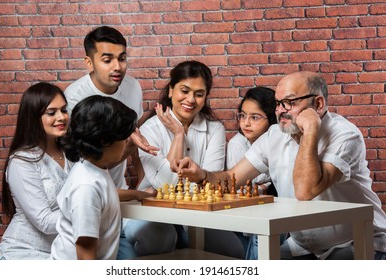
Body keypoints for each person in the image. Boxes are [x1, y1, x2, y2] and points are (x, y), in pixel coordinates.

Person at [171, 71, 386, 260]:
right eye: (278, 102)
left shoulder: (345, 135)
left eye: (290, 102)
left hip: (357, 241)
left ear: (318, 105)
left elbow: (305, 190)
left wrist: (311, 130)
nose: (280, 110)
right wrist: (200, 175)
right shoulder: (274, 135)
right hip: (305, 247)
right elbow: (232, 179)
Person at [123, 60, 241, 257]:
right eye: (184, 91)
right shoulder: (149, 129)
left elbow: (210, 182)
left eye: (199, 94)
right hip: (151, 210)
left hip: (198, 212)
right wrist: (178, 135)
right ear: (171, 91)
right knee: (161, 237)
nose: (191, 99)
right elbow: (164, 185)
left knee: (234, 251)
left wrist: (201, 180)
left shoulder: (215, 129)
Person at [63, 26, 158, 259]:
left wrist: (140, 191)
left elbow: (129, 133)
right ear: (89, 63)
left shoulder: (133, 87)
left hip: (114, 190)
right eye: (107, 60)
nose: (117, 67)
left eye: (122, 58)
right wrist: (130, 142)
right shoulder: (75, 97)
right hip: (94, 194)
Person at [50, 96, 139, 259]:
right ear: (105, 141)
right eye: (123, 137)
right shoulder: (86, 186)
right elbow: (85, 253)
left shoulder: (96, 169)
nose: (127, 141)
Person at [0, 82, 70, 260]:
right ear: (33, 117)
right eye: (51, 113)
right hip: (22, 253)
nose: (61, 117)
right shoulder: (22, 161)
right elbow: (44, 221)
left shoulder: (71, 153)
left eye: (64, 110)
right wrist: (87, 211)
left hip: (59, 253)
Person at [226, 86, 285, 260]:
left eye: (255, 117)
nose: (246, 123)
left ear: (271, 119)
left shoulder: (279, 141)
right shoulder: (237, 144)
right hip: (243, 214)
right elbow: (240, 187)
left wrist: (259, 185)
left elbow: (277, 184)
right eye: (242, 116)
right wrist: (265, 186)